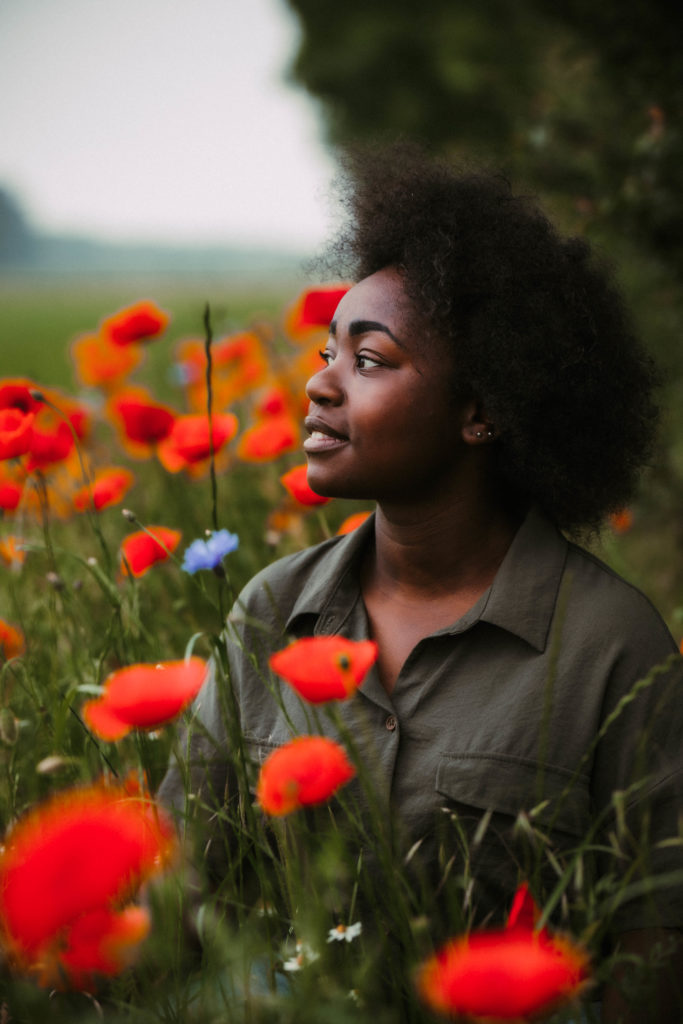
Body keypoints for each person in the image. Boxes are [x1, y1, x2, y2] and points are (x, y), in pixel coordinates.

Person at [159, 143, 683, 1021]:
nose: (319, 385)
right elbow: (174, 886)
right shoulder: (273, 610)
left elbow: (651, 960)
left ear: (482, 410)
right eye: (328, 351)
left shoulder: (607, 647)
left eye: (369, 360)